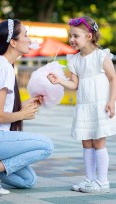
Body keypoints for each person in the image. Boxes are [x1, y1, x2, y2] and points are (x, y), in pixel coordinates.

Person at [0, 19, 54, 195]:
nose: (30, 40)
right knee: (46, 145)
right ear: (13, 42)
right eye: (25, 35)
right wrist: (21, 115)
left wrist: (23, 105)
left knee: (27, 180)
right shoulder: (3, 67)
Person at [48, 16, 116, 193]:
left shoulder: (101, 56)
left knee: (99, 143)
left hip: (100, 105)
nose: (72, 39)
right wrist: (59, 81)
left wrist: (111, 101)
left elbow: (113, 78)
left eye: (76, 36)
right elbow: (74, 84)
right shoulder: (75, 60)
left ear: (89, 36)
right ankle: (89, 179)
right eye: (70, 36)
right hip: (84, 106)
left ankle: (102, 181)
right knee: (86, 144)